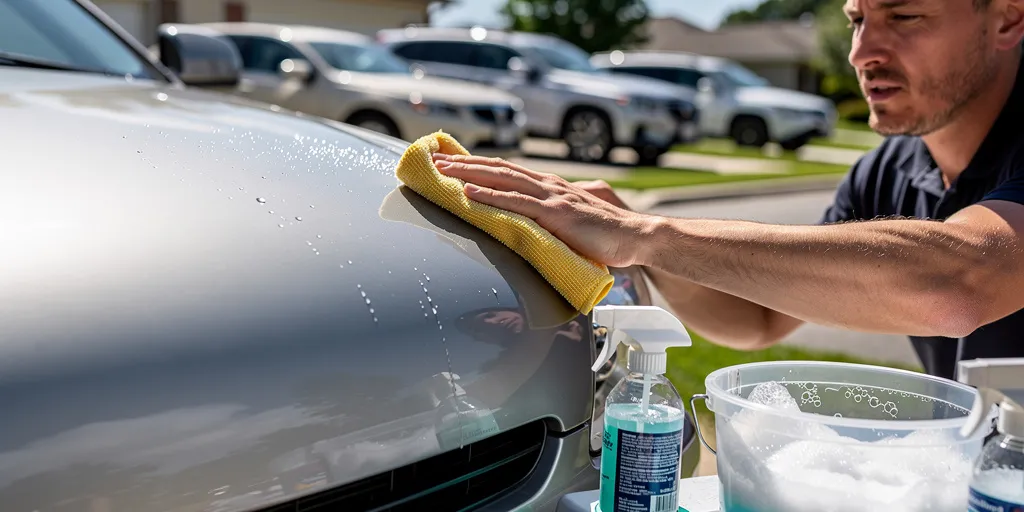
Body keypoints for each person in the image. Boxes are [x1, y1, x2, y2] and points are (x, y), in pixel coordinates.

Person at [429, 0, 1024, 380]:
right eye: (857, 20)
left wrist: (645, 234)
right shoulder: (886, 172)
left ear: (1005, 18)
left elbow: (961, 282)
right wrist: (635, 240)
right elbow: (760, 316)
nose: (862, 52)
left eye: (904, 16)